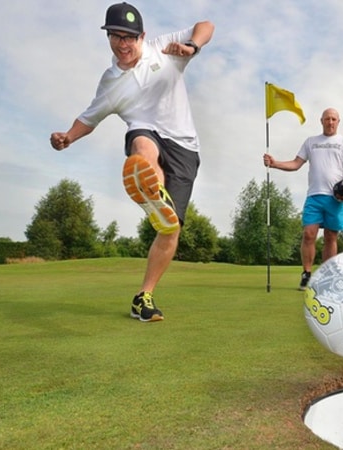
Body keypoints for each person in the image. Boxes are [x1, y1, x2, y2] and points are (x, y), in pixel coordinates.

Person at [50, 2, 214, 322]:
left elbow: (206, 25)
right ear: (109, 37)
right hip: (146, 135)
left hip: (185, 148)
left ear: (142, 36)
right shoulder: (110, 82)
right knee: (141, 142)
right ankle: (153, 192)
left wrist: (192, 46)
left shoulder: (163, 50)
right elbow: (90, 117)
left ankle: (144, 297)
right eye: (115, 36)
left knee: (171, 231)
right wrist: (68, 137)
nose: (123, 44)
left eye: (129, 37)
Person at [263, 108, 343, 290]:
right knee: (309, 234)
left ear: (338, 121)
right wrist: (274, 163)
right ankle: (307, 275)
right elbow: (296, 163)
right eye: (327, 119)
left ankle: (327, 276)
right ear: (321, 121)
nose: (330, 122)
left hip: (336, 198)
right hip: (314, 196)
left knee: (331, 236)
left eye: (333, 119)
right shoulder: (311, 142)